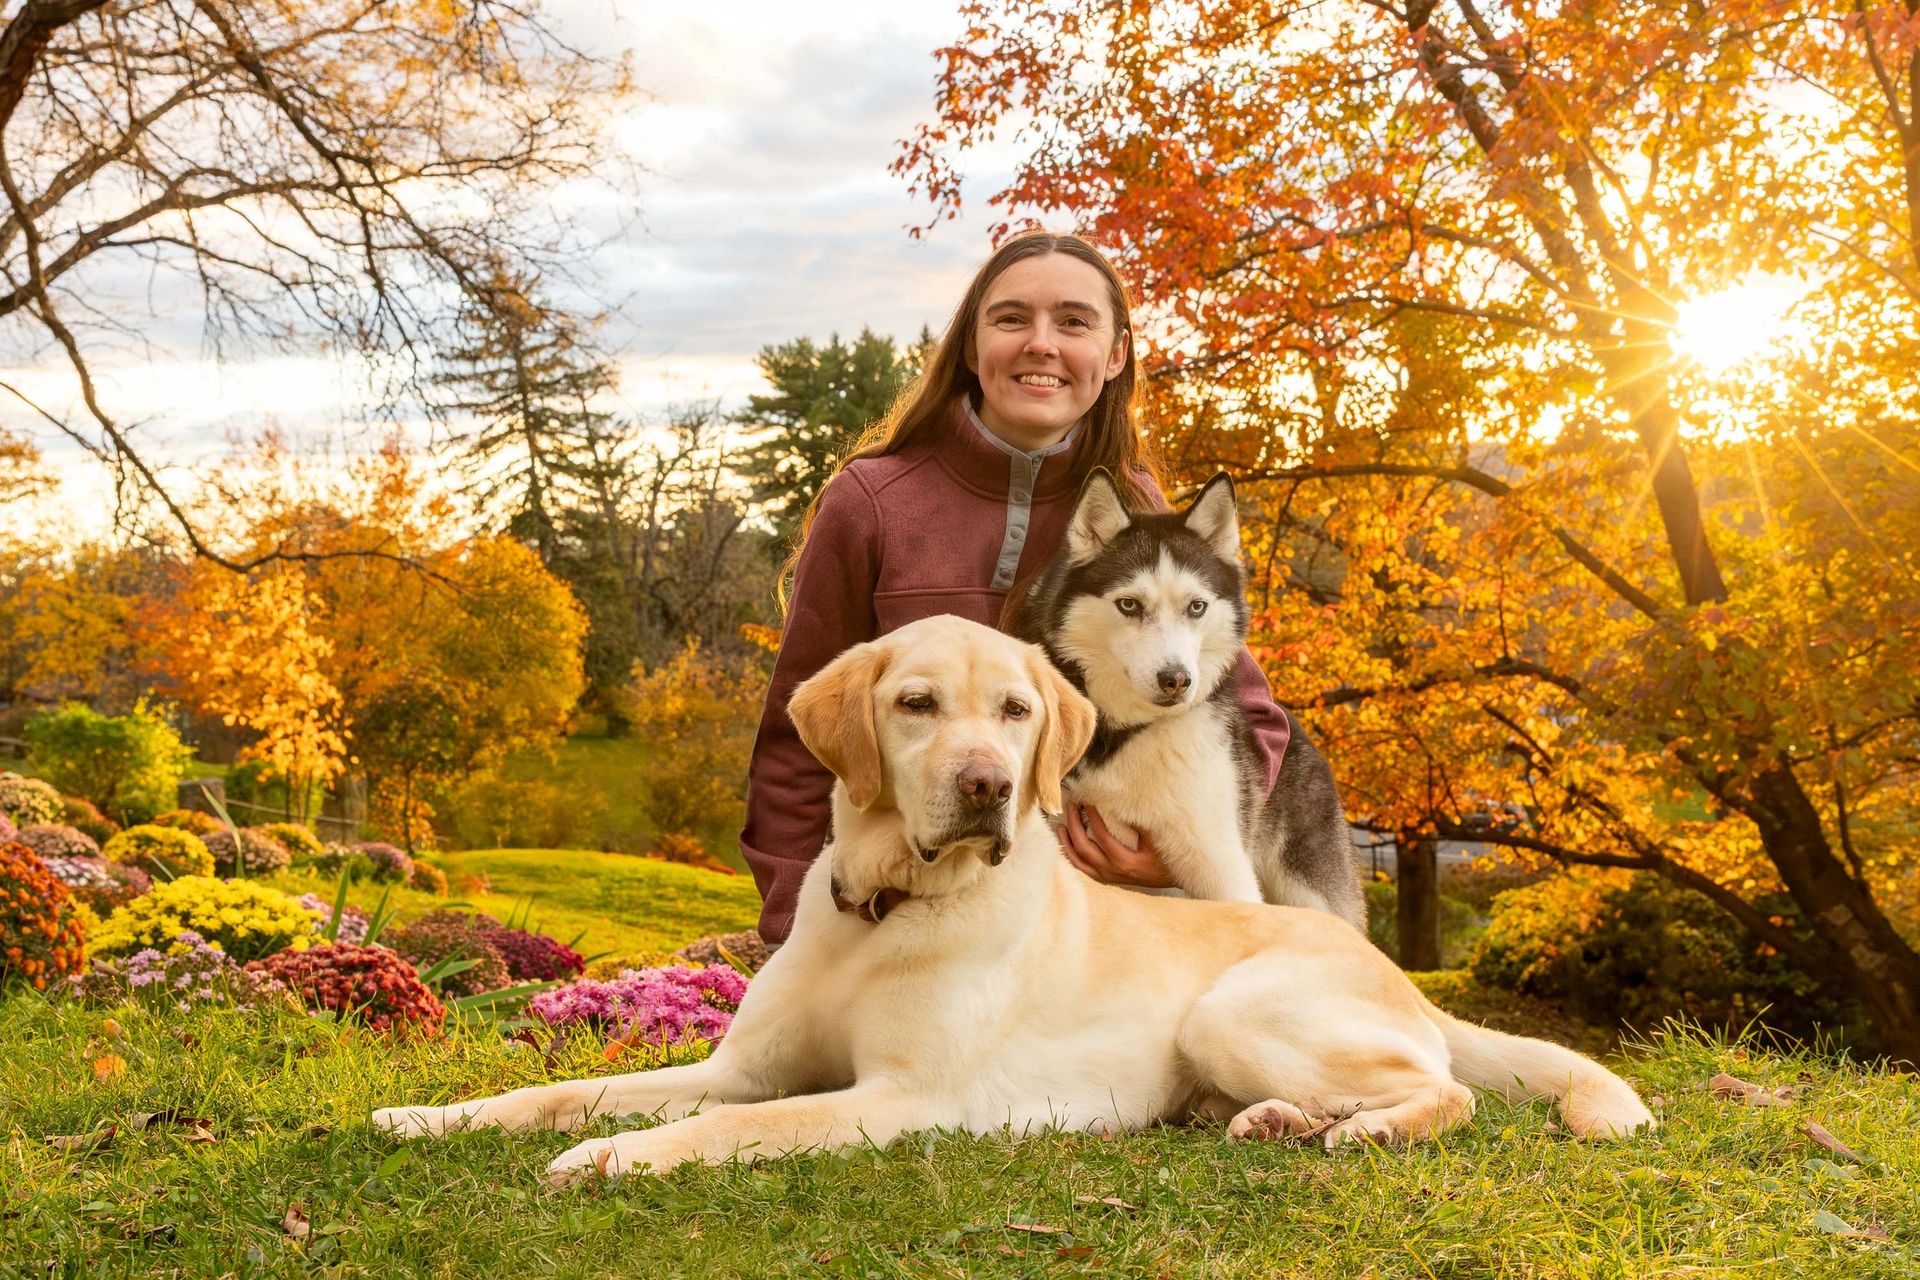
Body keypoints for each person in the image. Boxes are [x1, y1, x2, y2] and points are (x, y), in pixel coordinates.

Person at [739, 231, 1291, 945]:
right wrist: (798, 933)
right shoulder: (872, 503)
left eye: (1073, 321)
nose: (1042, 343)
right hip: (903, 919)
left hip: (1078, 933)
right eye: (1010, 319)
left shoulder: (1134, 514)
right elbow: (794, 745)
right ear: (971, 347)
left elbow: (1253, 721)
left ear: (1115, 354)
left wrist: (1174, 849)